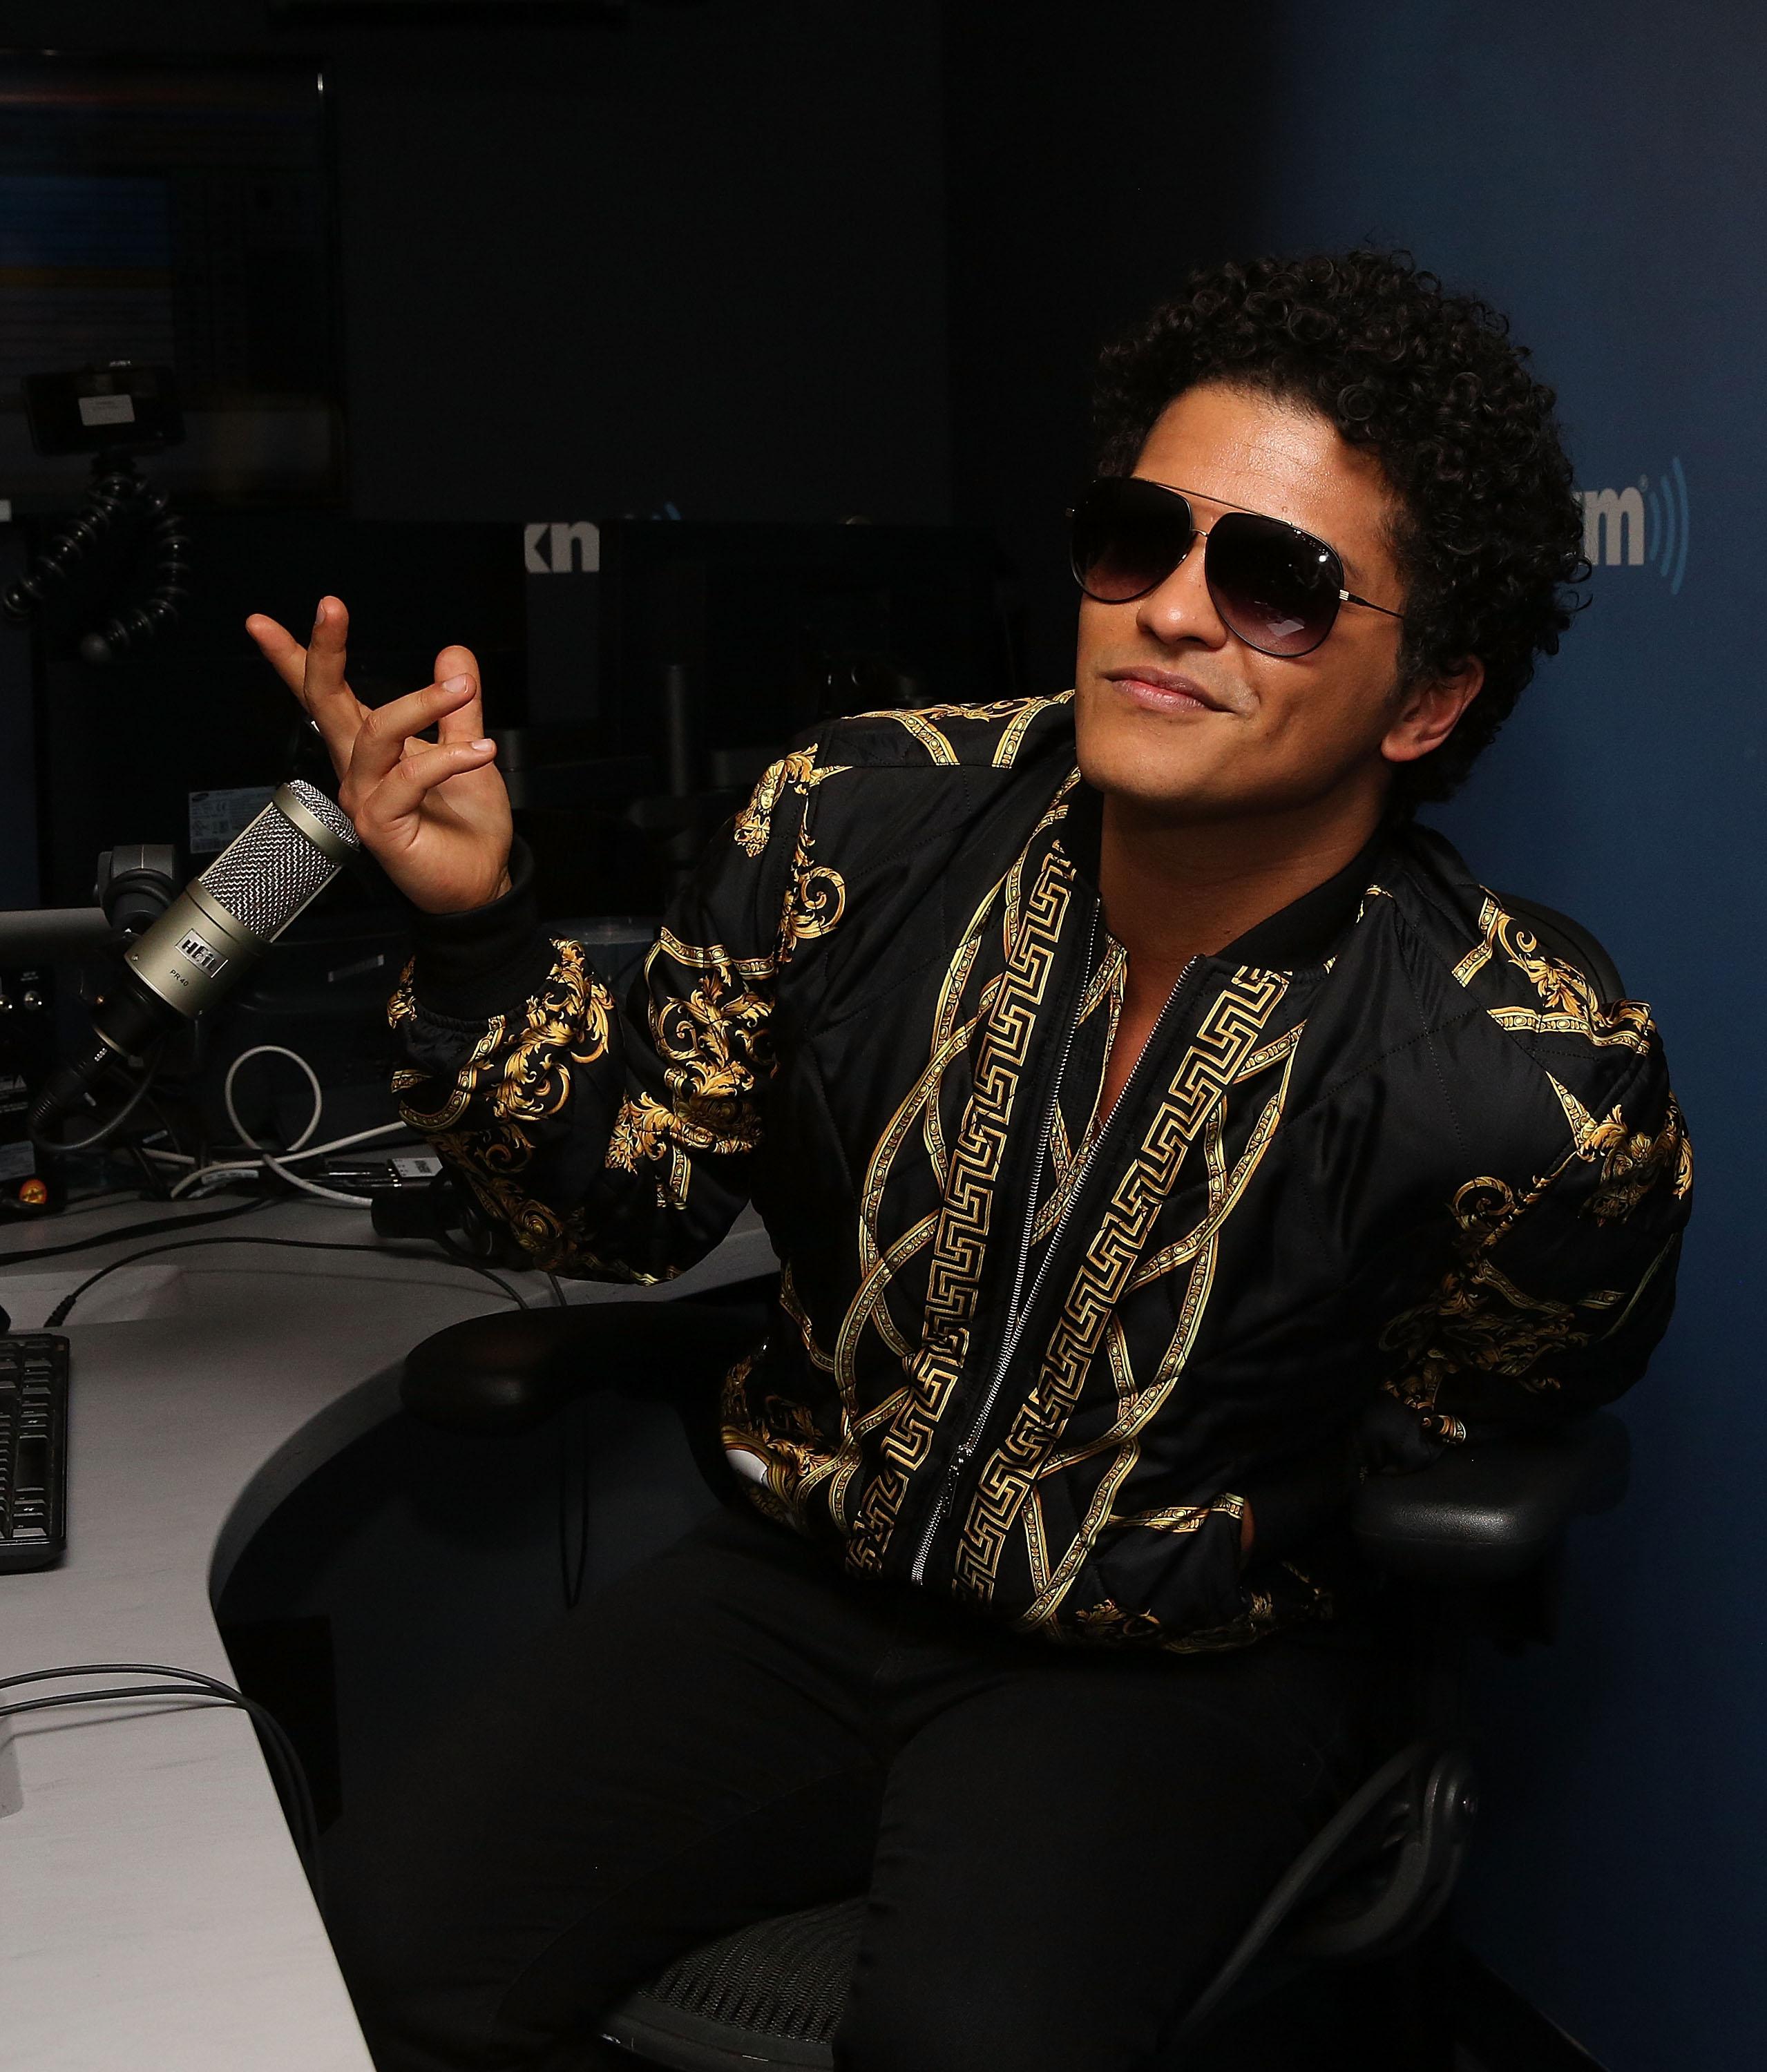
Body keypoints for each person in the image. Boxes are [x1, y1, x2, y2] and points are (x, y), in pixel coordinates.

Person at [249, 251, 1690, 2072]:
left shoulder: (1535, 1071)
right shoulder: (849, 823)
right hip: (802, 1587)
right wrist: (472, 932)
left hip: (1172, 1668)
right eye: (1136, 541)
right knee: (369, 1949)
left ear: (1425, 701)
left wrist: (1231, 1515)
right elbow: (613, 1206)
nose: (1172, 613)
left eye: (1276, 584)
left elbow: (1498, 1393)